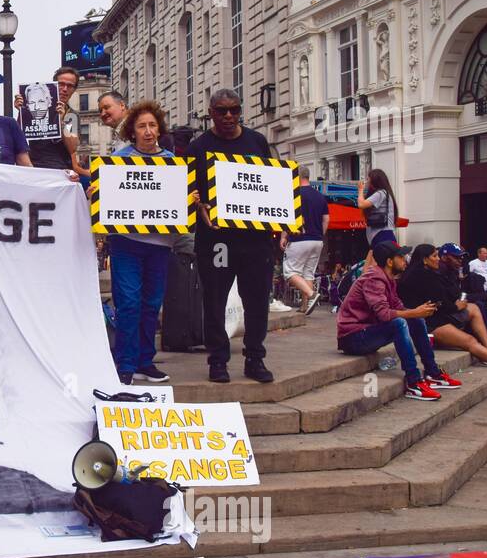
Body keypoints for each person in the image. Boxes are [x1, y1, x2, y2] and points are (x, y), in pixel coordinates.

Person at [187, 88, 275, 384]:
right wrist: (198, 205)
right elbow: (188, 192)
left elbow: (272, 184)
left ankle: (255, 358)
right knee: (214, 300)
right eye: (222, 110)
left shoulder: (258, 141)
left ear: (240, 111)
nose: (228, 116)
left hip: (256, 238)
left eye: (234, 110)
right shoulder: (197, 147)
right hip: (217, 240)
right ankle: (218, 361)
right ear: (210, 113)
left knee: (258, 300)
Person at [102, 100, 176, 384]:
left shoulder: (172, 161)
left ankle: (146, 361)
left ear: (159, 129)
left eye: (152, 125)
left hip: (160, 244)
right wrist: (99, 190)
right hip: (127, 242)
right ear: (132, 130)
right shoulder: (118, 159)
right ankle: (125, 363)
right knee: (129, 302)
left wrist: (188, 200)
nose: (148, 131)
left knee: (151, 303)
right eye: (142, 126)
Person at [397, 244, 487, 378]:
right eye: (434, 256)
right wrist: (456, 306)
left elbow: (451, 296)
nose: (438, 258)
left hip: (433, 317)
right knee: (470, 340)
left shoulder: (427, 273)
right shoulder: (424, 276)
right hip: (428, 323)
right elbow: (442, 302)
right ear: (424, 259)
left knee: (475, 308)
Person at [335, 243, 451, 401]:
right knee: (399, 323)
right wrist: (413, 312)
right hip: (353, 337)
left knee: (415, 320)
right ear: (390, 262)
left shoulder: (388, 279)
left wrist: (418, 312)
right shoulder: (374, 278)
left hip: (367, 331)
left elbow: (398, 307)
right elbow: (384, 314)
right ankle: (414, 381)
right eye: (401, 257)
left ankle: (433, 372)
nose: (405, 260)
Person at [437, 242, 487, 360]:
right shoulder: (440, 274)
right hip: (441, 318)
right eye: (456, 257)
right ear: (444, 257)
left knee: (477, 306)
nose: (460, 260)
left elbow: (461, 295)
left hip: (454, 307)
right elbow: (450, 300)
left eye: (462, 257)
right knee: (477, 307)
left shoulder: (453, 272)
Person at [15, 67, 89, 178]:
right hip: (35, 169)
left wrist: (62, 120)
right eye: (61, 84)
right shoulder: (37, 109)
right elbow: (18, 136)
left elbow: (72, 147)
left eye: (70, 86)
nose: (64, 89)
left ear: (74, 89)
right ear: (54, 85)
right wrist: (21, 111)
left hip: (61, 172)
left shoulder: (71, 115)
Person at [279, 165, 329, 315]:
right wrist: (320, 234)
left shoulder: (294, 194)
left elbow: (287, 217)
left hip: (299, 239)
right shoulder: (320, 196)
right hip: (317, 240)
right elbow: (326, 219)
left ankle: (311, 294)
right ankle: (305, 306)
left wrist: (283, 236)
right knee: (308, 273)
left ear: (297, 177)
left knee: (289, 272)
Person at [357, 168, 398, 253]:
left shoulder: (380, 193)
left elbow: (361, 204)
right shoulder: (385, 193)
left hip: (382, 234)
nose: (367, 182)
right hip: (383, 234)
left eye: (368, 179)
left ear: (374, 181)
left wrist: (360, 190)